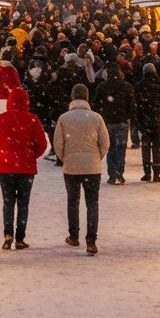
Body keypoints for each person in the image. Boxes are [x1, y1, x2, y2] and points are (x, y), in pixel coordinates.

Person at [0, 88, 48, 250]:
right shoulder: (33, 120)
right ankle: (20, 238)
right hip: (26, 169)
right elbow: (42, 144)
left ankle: (8, 235)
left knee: (8, 203)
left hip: (6, 168)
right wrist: (31, 156)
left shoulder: (1, 119)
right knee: (23, 204)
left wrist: (2, 154)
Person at [54, 83, 109, 256]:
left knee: (73, 201)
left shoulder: (64, 118)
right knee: (92, 203)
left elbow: (58, 144)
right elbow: (105, 143)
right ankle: (91, 240)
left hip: (71, 166)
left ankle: (74, 235)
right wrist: (96, 157)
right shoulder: (96, 118)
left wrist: (66, 158)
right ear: (86, 97)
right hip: (92, 167)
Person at [91, 66, 135, 185]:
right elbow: (132, 105)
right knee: (121, 147)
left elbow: (95, 103)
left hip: (108, 121)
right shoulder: (127, 86)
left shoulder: (103, 86)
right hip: (121, 121)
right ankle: (119, 172)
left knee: (110, 148)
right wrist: (127, 115)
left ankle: (112, 174)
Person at [134, 62, 160, 182]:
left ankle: (147, 172)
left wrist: (138, 120)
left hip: (145, 119)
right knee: (156, 146)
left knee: (145, 147)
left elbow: (137, 104)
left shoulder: (139, 86)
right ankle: (157, 172)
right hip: (157, 119)